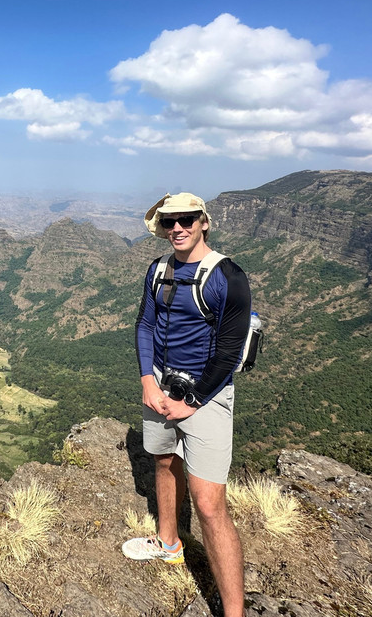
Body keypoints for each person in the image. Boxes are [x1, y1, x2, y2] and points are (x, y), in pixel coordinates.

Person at [122, 192, 250, 617]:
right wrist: (146, 380)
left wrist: (192, 402)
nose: (177, 227)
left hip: (206, 394)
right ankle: (169, 543)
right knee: (161, 461)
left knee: (209, 504)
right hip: (160, 383)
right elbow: (145, 323)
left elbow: (230, 351)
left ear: (204, 222)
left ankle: (234, 611)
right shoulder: (157, 270)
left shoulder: (228, 277)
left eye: (186, 219)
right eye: (168, 221)